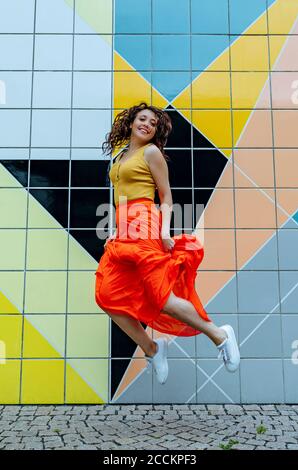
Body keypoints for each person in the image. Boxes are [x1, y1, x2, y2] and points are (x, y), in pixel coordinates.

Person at [95, 102, 240, 385]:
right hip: (123, 233)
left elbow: (166, 197)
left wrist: (164, 231)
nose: (147, 124)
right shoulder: (121, 155)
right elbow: (120, 198)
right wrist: (114, 230)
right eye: (142, 119)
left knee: (162, 299)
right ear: (131, 122)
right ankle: (152, 348)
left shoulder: (152, 153)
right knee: (106, 294)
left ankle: (220, 335)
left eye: (153, 123)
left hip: (146, 226)